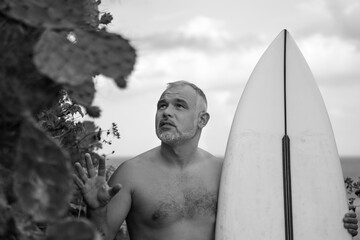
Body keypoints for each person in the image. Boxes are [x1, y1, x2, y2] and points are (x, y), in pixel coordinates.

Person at [74, 81, 358, 240]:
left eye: (178, 106)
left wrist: (337, 222)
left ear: (202, 120)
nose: (166, 112)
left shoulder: (225, 173)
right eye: (162, 105)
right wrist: (96, 210)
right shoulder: (131, 174)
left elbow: (272, 221)